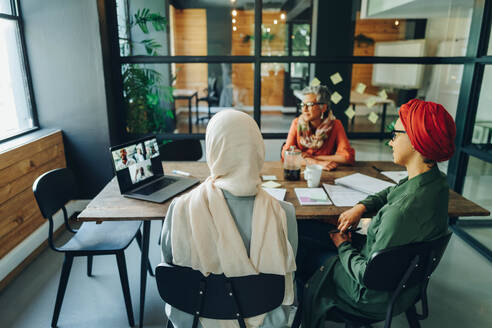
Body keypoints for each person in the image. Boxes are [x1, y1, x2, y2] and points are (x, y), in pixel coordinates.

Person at [297, 99, 456, 327]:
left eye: (395, 134)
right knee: (312, 231)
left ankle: (305, 306)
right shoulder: (436, 183)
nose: (390, 142)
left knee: (303, 249)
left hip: (366, 296)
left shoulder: (399, 214)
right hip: (406, 285)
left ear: (416, 140)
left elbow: (368, 276)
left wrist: (342, 244)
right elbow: (393, 190)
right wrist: (361, 207)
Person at [160, 110, 298, 328]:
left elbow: (170, 268)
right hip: (265, 322)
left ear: (214, 148)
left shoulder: (180, 208)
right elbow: (286, 276)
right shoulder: (284, 213)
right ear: (258, 150)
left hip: (195, 320)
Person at [282, 85, 355, 171]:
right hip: (300, 173)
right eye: (303, 104)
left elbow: (347, 157)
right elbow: (286, 155)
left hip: (329, 173)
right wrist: (317, 163)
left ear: (323, 108)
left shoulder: (335, 125)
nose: (304, 109)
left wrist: (310, 157)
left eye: (309, 105)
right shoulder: (297, 123)